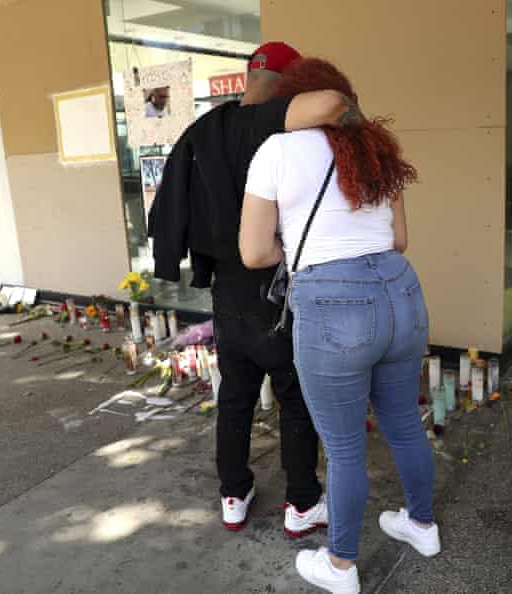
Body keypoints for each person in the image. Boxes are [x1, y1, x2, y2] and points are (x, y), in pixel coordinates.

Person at [239, 58, 440, 594]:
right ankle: (422, 526)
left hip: (333, 302)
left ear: (295, 100)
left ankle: (341, 566)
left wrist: (300, 250)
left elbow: (254, 252)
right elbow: (399, 240)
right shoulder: (378, 149)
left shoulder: (276, 151)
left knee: (346, 447)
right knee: (405, 422)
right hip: (401, 290)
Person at [148, 43, 363, 538]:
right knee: (295, 396)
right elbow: (332, 104)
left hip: (227, 292)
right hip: (277, 289)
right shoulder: (271, 122)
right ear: (289, 82)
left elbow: (173, 207)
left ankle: (233, 494)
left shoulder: (204, 129)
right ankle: (302, 501)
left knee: (235, 395)